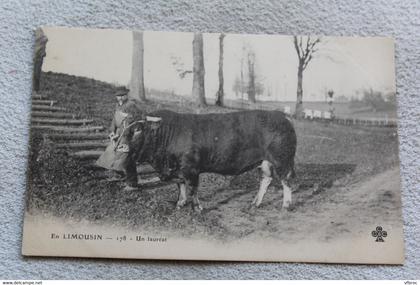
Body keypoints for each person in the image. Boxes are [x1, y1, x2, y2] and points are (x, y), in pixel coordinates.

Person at [96, 88, 142, 191]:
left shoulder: (132, 106)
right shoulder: (118, 106)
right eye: (118, 96)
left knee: (128, 159)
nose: (120, 98)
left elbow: (137, 124)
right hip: (118, 136)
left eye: (122, 96)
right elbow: (114, 121)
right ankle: (118, 176)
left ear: (126, 96)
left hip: (128, 138)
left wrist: (133, 140)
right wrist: (112, 132)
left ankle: (132, 184)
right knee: (112, 156)